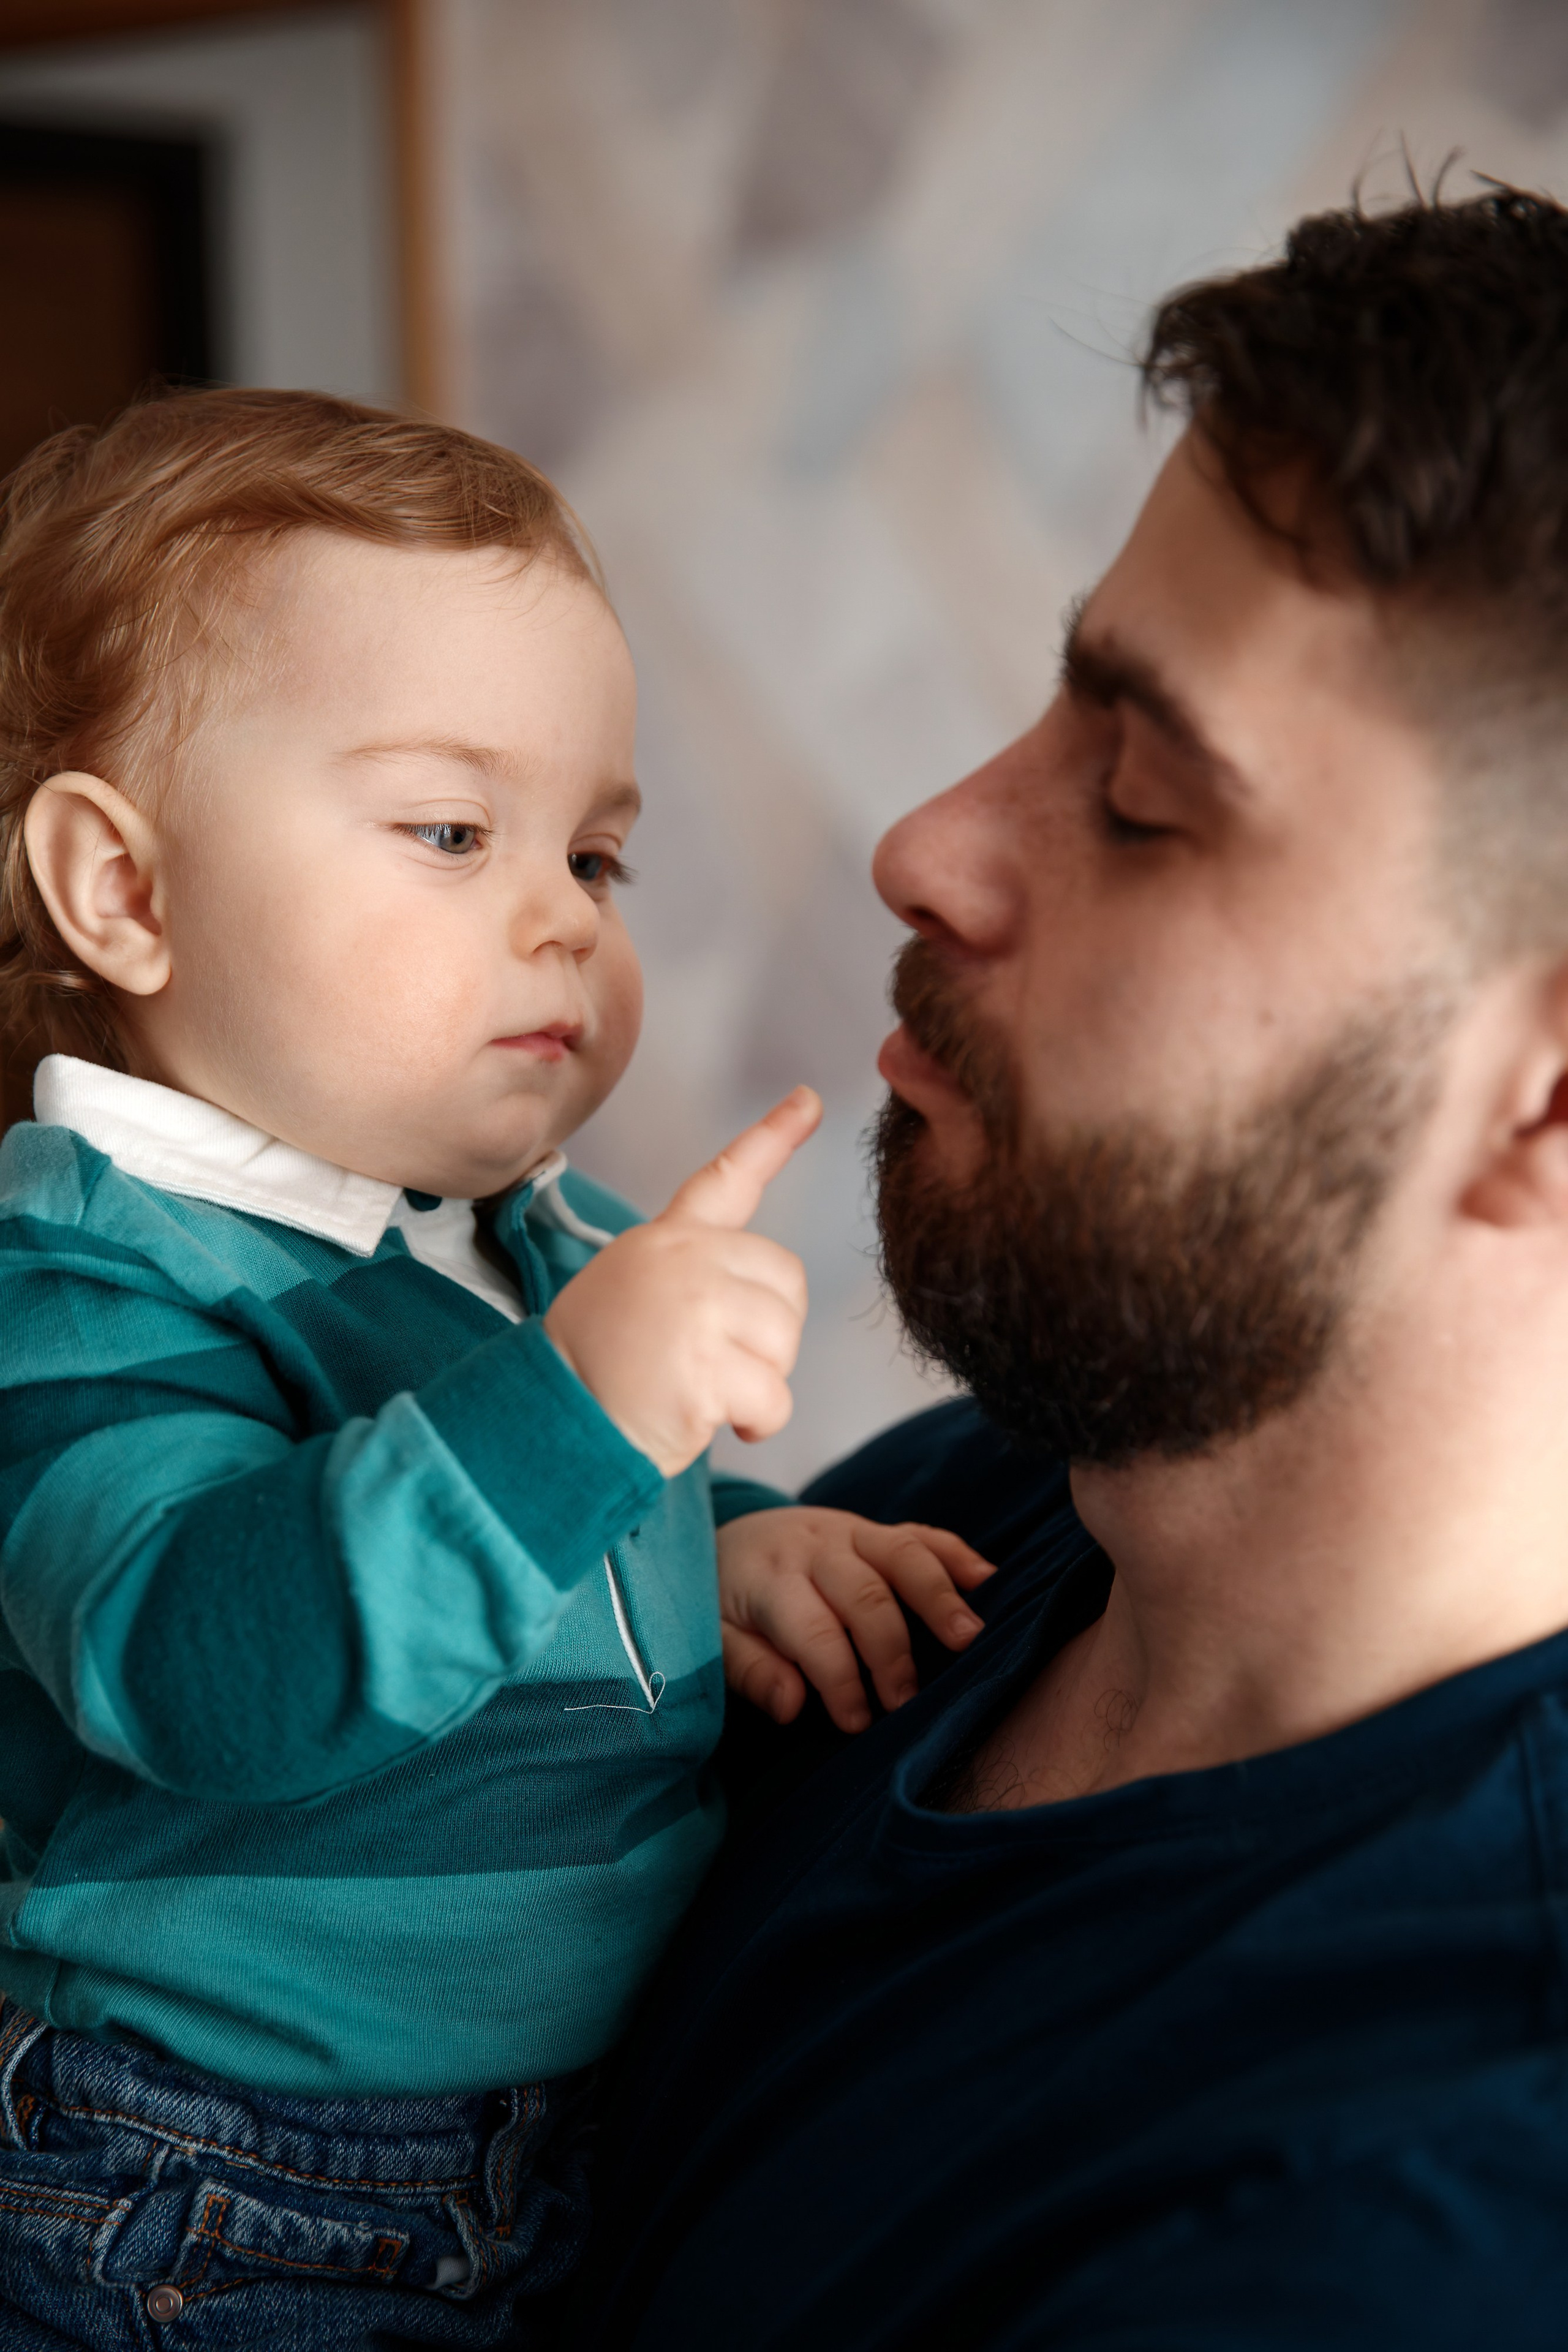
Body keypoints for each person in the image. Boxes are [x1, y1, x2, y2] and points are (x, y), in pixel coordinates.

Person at [570, 183, 1568, 2350]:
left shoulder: (1404, 2220)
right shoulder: (957, 1521)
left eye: (1136, 795)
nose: (928, 839)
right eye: (1055, 708)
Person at [0, 388, 993, 2351]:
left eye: (597, 858)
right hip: (206, 2192)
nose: (559, 919)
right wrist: (582, 1412)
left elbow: (529, 1544)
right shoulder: (89, 1285)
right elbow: (205, 1660)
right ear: (126, 894)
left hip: (559, 2153)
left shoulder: (536, 1243)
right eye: (453, 833)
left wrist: (717, 1537)